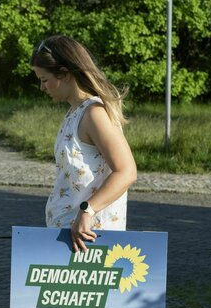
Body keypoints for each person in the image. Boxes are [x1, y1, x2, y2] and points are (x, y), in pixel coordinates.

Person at [30, 35, 137, 252]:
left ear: (65, 74)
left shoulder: (94, 113)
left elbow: (126, 172)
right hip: (70, 238)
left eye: (44, 79)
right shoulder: (75, 112)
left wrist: (87, 211)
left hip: (91, 241)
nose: (42, 87)